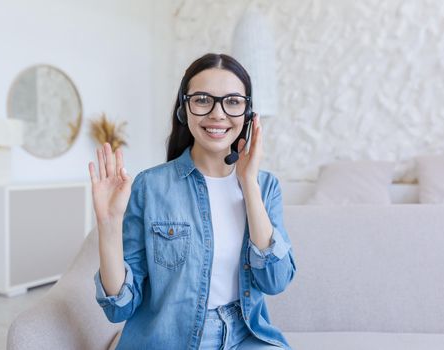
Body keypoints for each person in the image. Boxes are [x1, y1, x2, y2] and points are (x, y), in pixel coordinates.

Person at [89, 53, 296, 350]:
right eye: (202, 100)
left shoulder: (266, 186)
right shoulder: (150, 186)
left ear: (248, 114)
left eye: (233, 101)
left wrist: (248, 184)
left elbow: (275, 281)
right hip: (170, 340)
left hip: (244, 336)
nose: (218, 113)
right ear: (184, 109)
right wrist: (108, 225)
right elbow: (118, 308)